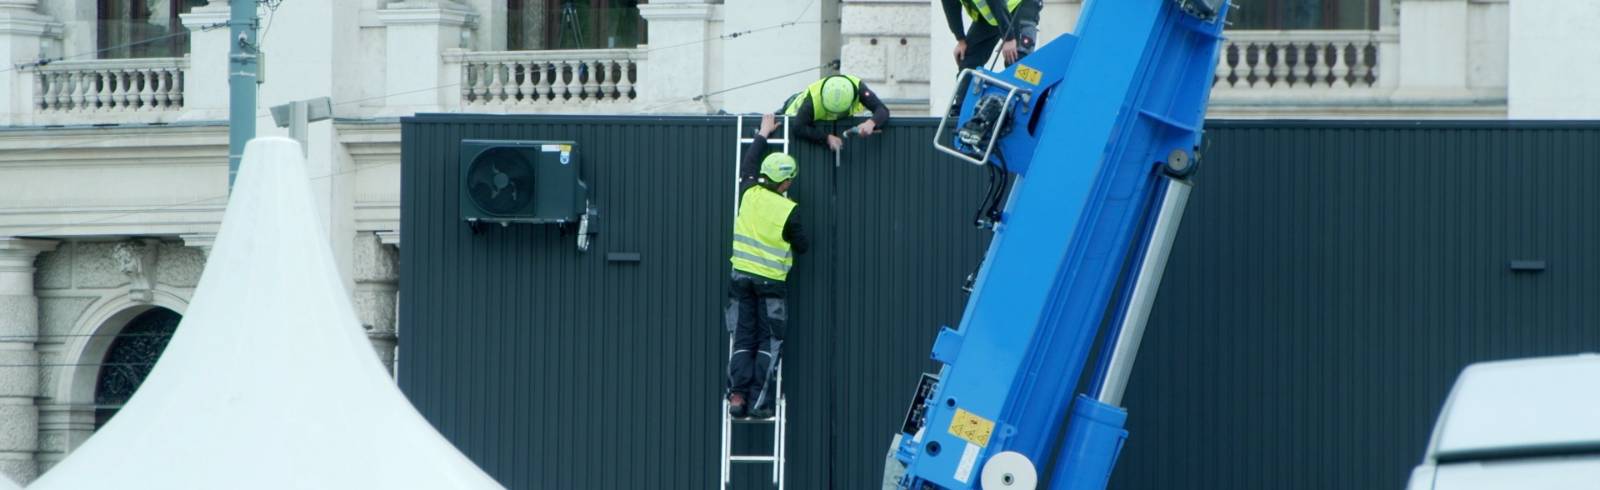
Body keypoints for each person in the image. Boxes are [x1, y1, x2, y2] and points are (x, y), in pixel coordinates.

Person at [726, 114, 809, 419]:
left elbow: (748, 164)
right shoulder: (789, 210)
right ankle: (759, 403)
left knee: (742, 337)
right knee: (767, 341)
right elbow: (803, 246)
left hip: (740, 279)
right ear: (786, 182)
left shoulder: (748, 191)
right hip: (770, 283)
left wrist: (762, 134)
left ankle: (736, 396)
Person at [778, 74, 891, 151]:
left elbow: (882, 110)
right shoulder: (812, 101)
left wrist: (871, 123)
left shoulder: (858, 88)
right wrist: (826, 138)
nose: (836, 116)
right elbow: (798, 128)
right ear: (823, 98)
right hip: (790, 110)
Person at [942, 0, 1043, 71]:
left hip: (1021, 5)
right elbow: (950, 5)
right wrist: (961, 40)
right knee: (968, 61)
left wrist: (1009, 38)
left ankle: (1019, 98)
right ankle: (963, 101)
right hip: (992, 11)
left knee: (1016, 61)